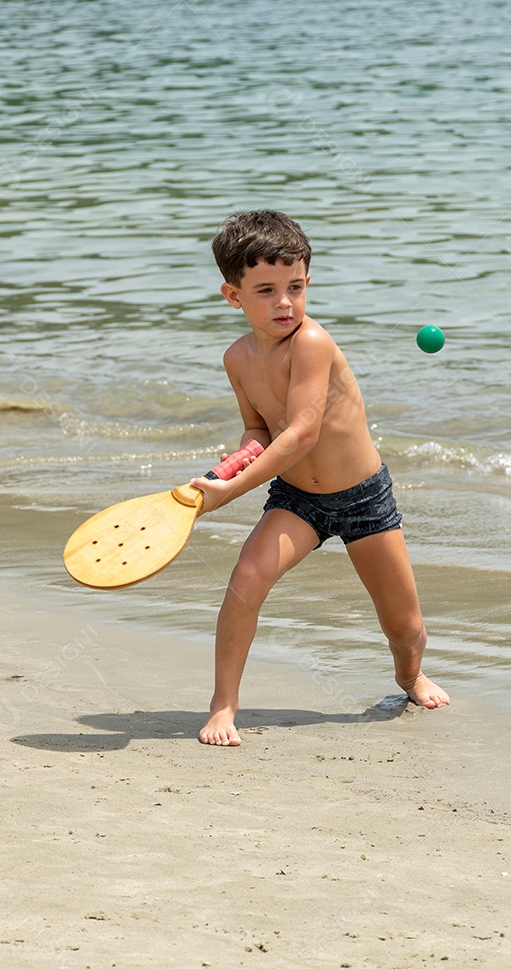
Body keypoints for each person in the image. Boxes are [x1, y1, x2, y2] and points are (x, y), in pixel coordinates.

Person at [190, 210, 449, 747]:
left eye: (296, 286)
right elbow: (259, 429)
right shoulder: (237, 358)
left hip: (362, 498)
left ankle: (409, 676)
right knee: (244, 583)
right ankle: (223, 706)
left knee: (405, 627)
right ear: (232, 295)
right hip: (297, 498)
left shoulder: (312, 343)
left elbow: (303, 432)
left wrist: (231, 492)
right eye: (266, 290)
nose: (284, 302)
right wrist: (234, 462)